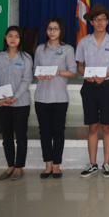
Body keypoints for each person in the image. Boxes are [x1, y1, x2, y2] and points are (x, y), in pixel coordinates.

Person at [76, 3, 109, 179]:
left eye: (103, 19)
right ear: (91, 22)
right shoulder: (84, 41)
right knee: (92, 126)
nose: (100, 23)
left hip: (107, 87)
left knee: (107, 126)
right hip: (89, 87)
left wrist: (106, 75)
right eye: (96, 19)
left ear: (107, 21)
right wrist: (85, 75)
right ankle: (92, 164)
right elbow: (79, 65)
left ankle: (106, 163)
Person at [34, 17, 77, 179]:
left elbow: (73, 72)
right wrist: (40, 75)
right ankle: (47, 165)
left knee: (58, 132)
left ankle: (57, 165)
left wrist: (57, 72)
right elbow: (35, 70)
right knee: (44, 132)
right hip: (41, 97)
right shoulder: (40, 49)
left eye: (56, 29)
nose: (52, 32)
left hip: (59, 98)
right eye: (49, 29)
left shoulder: (67, 49)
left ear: (61, 31)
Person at [0, 26, 33, 181]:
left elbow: (27, 79)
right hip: (2, 103)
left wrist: (14, 98)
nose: (13, 39)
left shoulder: (26, 58)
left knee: (20, 136)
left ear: (20, 39)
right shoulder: (0, 57)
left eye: (16, 36)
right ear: (5, 38)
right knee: (7, 136)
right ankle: (10, 166)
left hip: (20, 103)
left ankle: (19, 167)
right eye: (10, 36)